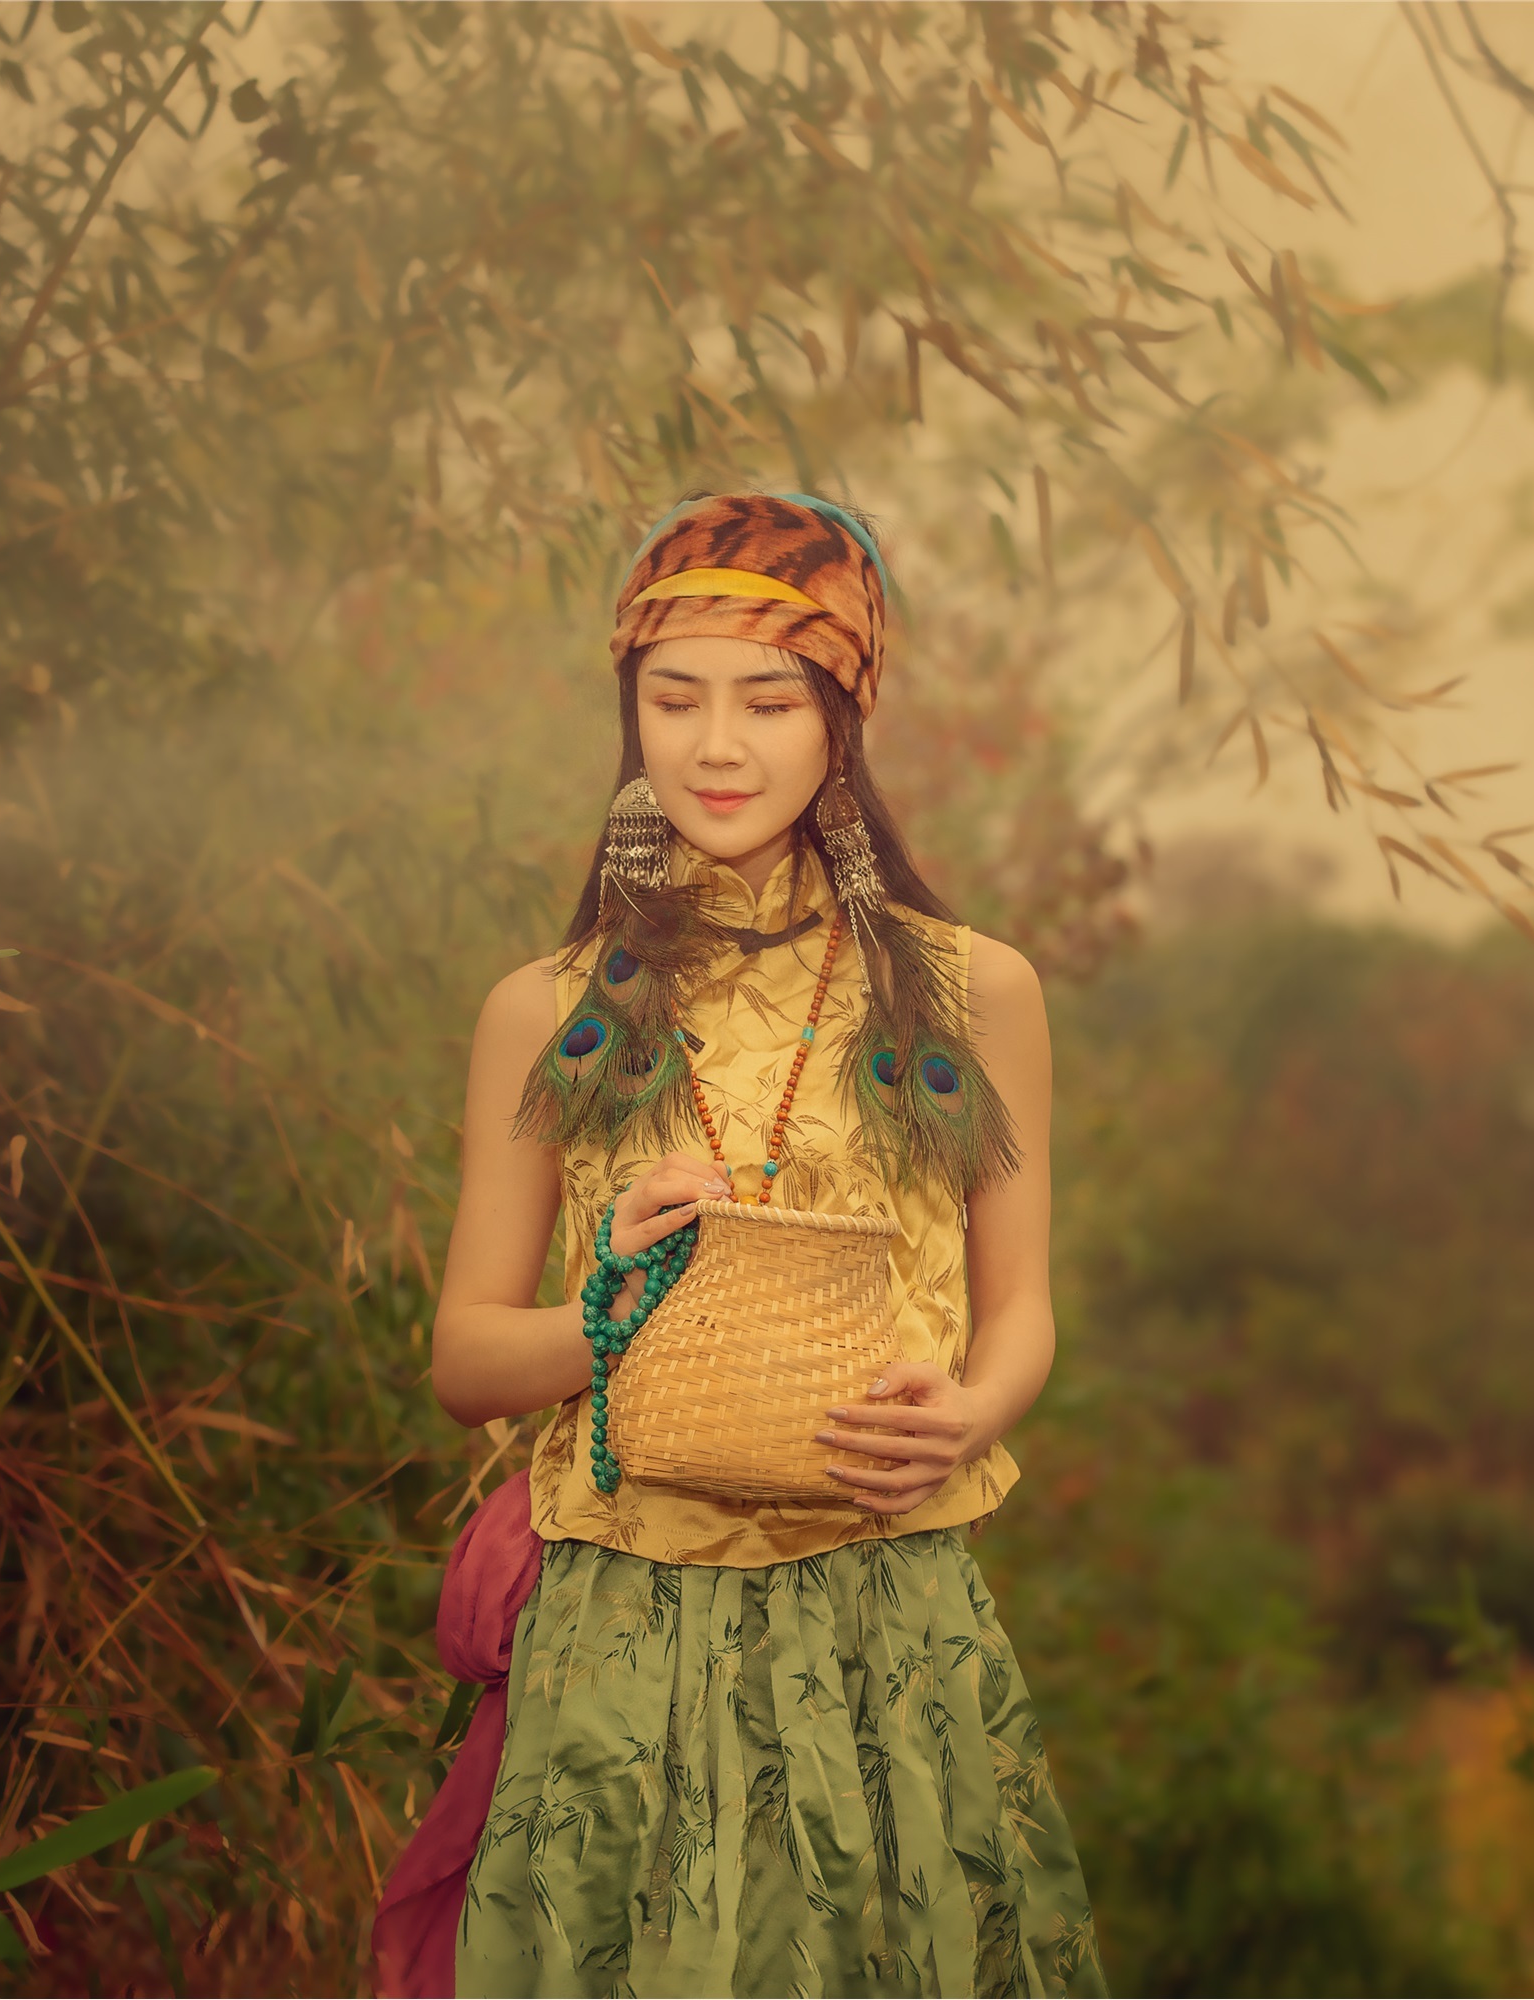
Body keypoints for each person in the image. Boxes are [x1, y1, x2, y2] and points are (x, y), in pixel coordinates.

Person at [405, 491, 1102, 1998]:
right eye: (676, 698)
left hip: (887, 1614)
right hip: (622, 1632)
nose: (718, 745)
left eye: (769, 699)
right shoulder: (548, 1008)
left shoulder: (974, 993)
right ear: (632, 714)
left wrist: (975, 1413)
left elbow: (1023, 1306)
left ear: (843, 717)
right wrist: (607, 1311)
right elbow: (466, 1358)